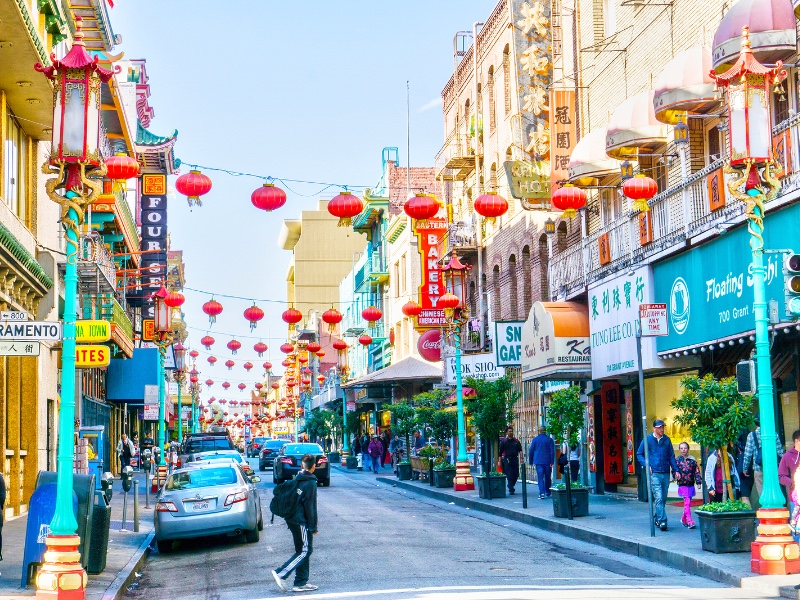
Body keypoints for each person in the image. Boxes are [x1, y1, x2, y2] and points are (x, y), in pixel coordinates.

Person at [272, 454, 319, 593]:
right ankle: (281, 573)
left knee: (301, 550)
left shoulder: (297, 478)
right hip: (301, 521)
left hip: (291, 519)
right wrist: (313, 527)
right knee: (306, 550)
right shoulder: (310, 482)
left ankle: (300, 582)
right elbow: (310, 506)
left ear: (301, 466)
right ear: (314, 466)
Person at [636, 419, 677, 531]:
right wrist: (646, 464)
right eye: (659, 427)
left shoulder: (667, 440)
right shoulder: (648, 439)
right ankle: (663, 521)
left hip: (665, 472)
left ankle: (657, 517)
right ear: (654, 428)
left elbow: (671, 457)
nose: (662, 429)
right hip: (654, 472)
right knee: (658, 497)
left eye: (663, 427)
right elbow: (639, 454)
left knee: (663, 498)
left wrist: (675, 470)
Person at [743, 420, 785, 500]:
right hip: (772, 467)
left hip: (758, 468)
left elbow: (748, 454)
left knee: (761, 492)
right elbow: (780, 452)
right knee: (774, 489)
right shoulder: (774, 434)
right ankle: (775, 506)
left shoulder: (751, 435)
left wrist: (745, 468)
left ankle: (766, 508)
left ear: (755, 423)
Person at [674, 442, 702, 529]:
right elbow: (675, 471)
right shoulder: (677, 460)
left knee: (688, 502)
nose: (683, 450)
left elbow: (696, 471)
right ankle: (689, 521)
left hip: (690, 484)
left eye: (685, 448)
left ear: (688, 449)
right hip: (682, 484)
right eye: (681, 448)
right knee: (687, 502)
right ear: (679, 450)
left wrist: (698, 482)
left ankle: (683, 519)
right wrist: (675, 475)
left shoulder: (692, 460)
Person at [528, 427, 555, 500]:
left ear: (539, 431)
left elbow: (531, 451)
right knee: (547, 477)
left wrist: (530, 461)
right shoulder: (550, 440)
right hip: (547, 461)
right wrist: (552, 461)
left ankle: (542, 493)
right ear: (545, 431)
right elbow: (552, 452)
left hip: (538, 461)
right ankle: (548, 491)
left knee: (540, 477)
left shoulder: (535, 440)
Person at [779, 430, 800, 512]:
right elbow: (781, 476)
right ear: (796, 441)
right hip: (796, 495)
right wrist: (794, 483)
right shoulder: (787, 456)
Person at [499, 426, 523, 495]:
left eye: (511, 431)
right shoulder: (504, 441)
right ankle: (511, 488)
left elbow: (520, 450)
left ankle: (511, 485)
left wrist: (521, 458)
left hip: (515, 459)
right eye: (509, 431)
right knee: (509, 474)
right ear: (506, 432)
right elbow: (500, 452)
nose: (511, 432)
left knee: (515, 474)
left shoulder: (516, 441)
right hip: (507, 459)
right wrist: (499, 461)